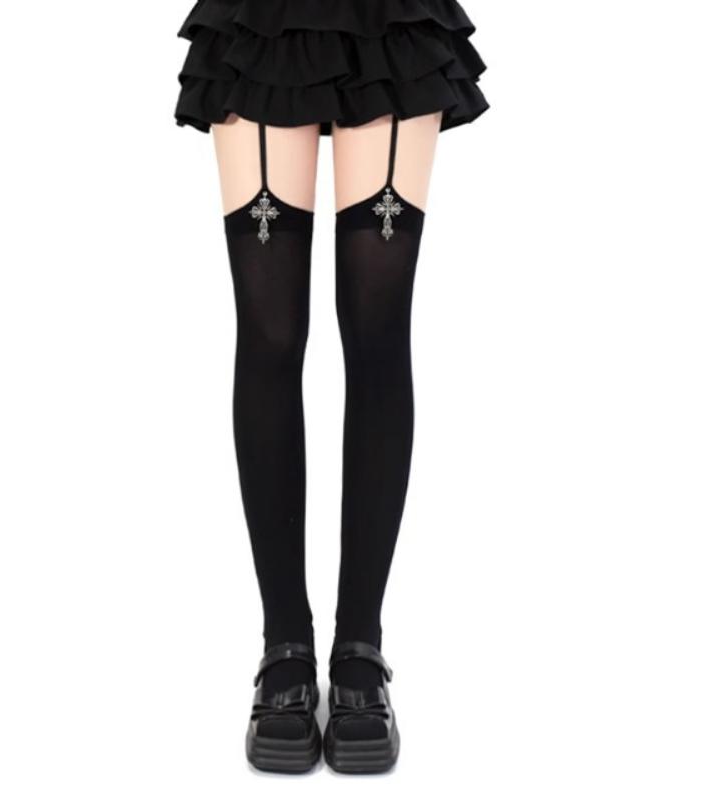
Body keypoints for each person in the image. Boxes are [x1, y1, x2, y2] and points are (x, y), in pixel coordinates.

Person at [173, 0, 490, 774]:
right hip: (259, 18)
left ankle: (360, 646)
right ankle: (285, 638)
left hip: (390, 18)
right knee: (271, 333)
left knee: (377, 332)